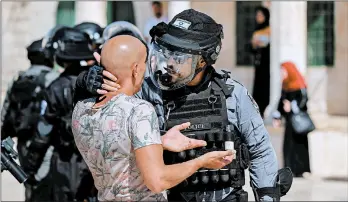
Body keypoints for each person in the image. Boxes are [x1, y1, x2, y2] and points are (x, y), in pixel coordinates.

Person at [75, 9, 293, 202]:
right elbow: (100, 115)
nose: (169, 63)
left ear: (203, 60)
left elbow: (260, 151)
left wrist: (266, 195)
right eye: (167, 53)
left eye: (179, 57)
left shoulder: (233, 94)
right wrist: (87, 83)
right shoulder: (148, 91)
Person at [72, 35, 235, 201]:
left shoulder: (81, 109)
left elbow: (113, 147)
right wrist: (200, 162)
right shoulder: (138, 110)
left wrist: (159, 142)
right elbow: (157, 180)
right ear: (136, 69)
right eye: (144, 63)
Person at [25, 27, 98, 202]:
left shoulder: (55, 88)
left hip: (64, 163)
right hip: (94, 163)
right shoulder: (96, 84)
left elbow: (43, 132)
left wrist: (30, 166)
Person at [1, 37, 61, 202]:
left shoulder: (19, 79)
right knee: (47, 188)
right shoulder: (53, 78)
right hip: (47, 144)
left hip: (23, 143)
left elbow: (5, 114)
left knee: (29, 185)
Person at [273, 61, 311, 178]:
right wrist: (278, 116)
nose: (282, 73)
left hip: (298, 121)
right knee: (288, 145)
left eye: (283, 71)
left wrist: (292, 106)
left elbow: (304, 101)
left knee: (299, 145)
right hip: (289, 121)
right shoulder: (285, 84)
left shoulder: (299, 84)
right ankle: (289, 169)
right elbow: (282, 101)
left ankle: (300, 169)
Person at [250, 6, 271, 118]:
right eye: (257, 15)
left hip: (267, 65)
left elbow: (269, 47)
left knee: (265, 87)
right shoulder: (257, 30)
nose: (258, 17)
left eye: (260, 15)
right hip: (258, 64)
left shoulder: (269, 30)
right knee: (258, 87)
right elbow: (252, 49)